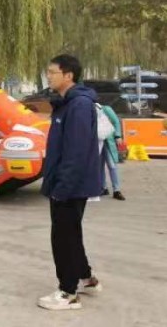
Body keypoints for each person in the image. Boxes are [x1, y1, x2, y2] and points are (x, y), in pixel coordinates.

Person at [38, 55, 103, 311]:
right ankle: (86, 278)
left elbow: (76, 151)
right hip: (65, 182)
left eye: (52, 72)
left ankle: (68, 292)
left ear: (68, 75)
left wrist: (62, 188)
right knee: (71, 233)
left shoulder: (78, 105)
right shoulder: (66, 103)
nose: (48, 76)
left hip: (70, 185)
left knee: (63, 238)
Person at [98, 104, 126, 201]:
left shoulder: (105, 109)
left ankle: (116, 190)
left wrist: (118, 136)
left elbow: (116, 121)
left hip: (108, 142)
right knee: (99, 166)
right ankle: (103, 187)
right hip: (97, 142)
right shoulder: (88, 110)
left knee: (112, 165)